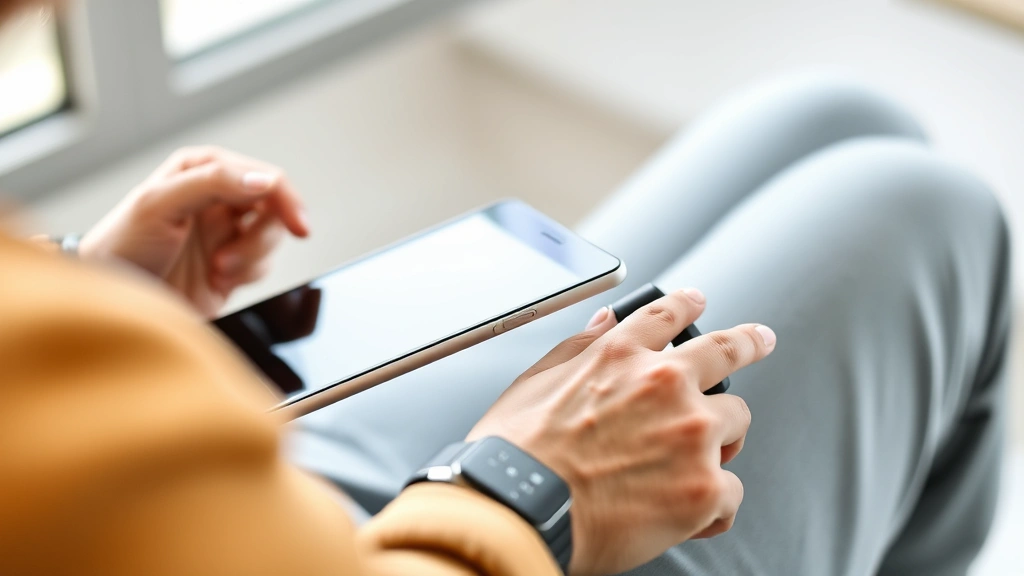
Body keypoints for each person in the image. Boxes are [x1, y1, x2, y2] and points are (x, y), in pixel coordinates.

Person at [0, 1, 1009, 575]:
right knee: (919, 205)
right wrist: (523, 494)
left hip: (272, 508)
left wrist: (75, 296)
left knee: (830, 115)